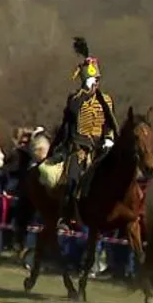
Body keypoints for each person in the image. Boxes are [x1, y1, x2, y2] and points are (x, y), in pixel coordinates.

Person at [50, 36, 119, 232]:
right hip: (79, 149)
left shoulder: (106, 99)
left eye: (97, 79)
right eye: (92, 80)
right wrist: (86, 92)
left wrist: (108, 138)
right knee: (72, 180)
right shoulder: (76, 98)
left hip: (99, 149)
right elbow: (72, 113)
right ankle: (65, 216)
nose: (96, 83)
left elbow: (109, 122)